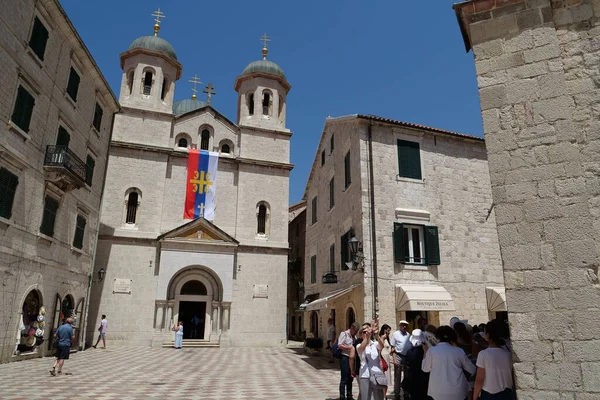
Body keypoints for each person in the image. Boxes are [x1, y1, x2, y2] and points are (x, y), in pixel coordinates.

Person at [422, 325, 476, 400]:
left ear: (437, 337)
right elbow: (472, 370)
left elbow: (425, 369)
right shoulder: (459, 351)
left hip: (437, 393)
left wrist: (425, 353)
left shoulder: (432, 351)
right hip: (458, 392)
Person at [473, 320, 514, 400]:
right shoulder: (508, 354)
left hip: (489, 395)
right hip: (507, 394)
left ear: (488, 335)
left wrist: (475, 397)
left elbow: (479, 379)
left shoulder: (483, 354)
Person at [357, 321, 385, 400]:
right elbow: (360, 350)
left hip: (376, 374)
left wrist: (377, 336)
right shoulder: (359, 345)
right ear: (361, 334)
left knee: (378, 397)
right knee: (366, 397)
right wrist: (367, 337)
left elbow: (381, 346)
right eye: (364, 332)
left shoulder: (375, 344)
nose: (366, 333)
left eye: (367, 332)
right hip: (365, 375)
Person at [404, 329, 429, 400]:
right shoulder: (427, 351)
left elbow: (407, 364)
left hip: (413, 378)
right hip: (424, 378)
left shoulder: (409, 352)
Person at [338, 322, 360, 400]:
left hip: (352, 359)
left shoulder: (354, 337)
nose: (356, 333)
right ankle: (342, 396)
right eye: (355, 331)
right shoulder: (344, 334)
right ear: (352, 329)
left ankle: (349, 396)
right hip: (345, 358)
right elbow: (340, 345)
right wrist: (349, 348)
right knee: (344, 378)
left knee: (350, 377)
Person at [390, 320, 410, 400]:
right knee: (397, 377)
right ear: (400, 326)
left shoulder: (409, 335)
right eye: (403, 325)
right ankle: (397, 394)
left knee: (407, 376)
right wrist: (394, 359)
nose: (404, 327)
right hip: (398, 356)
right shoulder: (395, 334)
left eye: (406, 325)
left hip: (407, 357)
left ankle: (406, 393)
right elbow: (393, 347)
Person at [379, 324, 393, 399]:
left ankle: (384, 396)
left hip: (387, 358)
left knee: (387, 379)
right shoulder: (382, 337)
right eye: (388, 330)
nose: (389, 332)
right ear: (384, 330)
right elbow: (380, 347)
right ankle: (383, 396)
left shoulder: (387, 338)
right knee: (384, 378)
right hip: (383, 358)